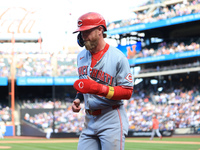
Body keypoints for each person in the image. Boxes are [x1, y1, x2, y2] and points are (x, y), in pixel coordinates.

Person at [72, 12, 133, 150]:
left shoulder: (118, 57)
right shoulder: (81, 56)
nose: (83, 36)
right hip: (89, 118)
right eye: (81, 33)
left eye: (87, 31)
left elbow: (127, 92)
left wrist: (99, 88)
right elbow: (84, 83)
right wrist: (78, 98)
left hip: (111, 117)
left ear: (100, 30)